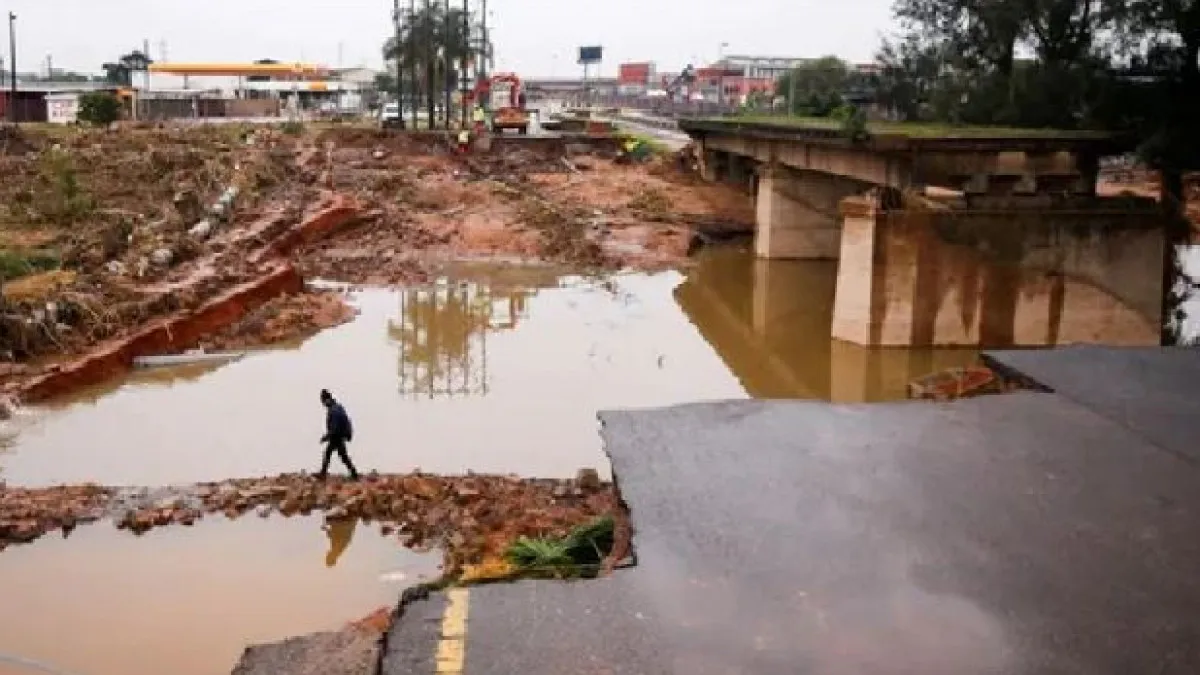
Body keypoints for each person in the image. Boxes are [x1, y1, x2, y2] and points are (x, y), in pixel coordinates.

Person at [317, 389, 360, 480]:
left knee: (330, 453)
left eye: (323, 401)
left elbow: (334, 427)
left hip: (337, 435)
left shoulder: (334, 410)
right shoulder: (337, 407)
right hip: (340, 435)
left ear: (326, 399)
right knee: (341, 455)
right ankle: (354, 474)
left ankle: (323, 474)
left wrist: (326, 437)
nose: (323, 404)